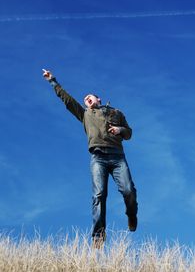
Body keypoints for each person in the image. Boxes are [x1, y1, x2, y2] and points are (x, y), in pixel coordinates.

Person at [42, 69, 138, 246]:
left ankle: (132, 215)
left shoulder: (116, 112)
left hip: (117, 157)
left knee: (128, 190)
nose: (87, 99)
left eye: (90, 97)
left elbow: (129, 133)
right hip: (98, 158)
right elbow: (67, 100)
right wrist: (52, 81)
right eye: (85, 99)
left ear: (98, 99)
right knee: (99, 195)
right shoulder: (85, 114)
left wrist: (119, 130)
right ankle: (98, 237)